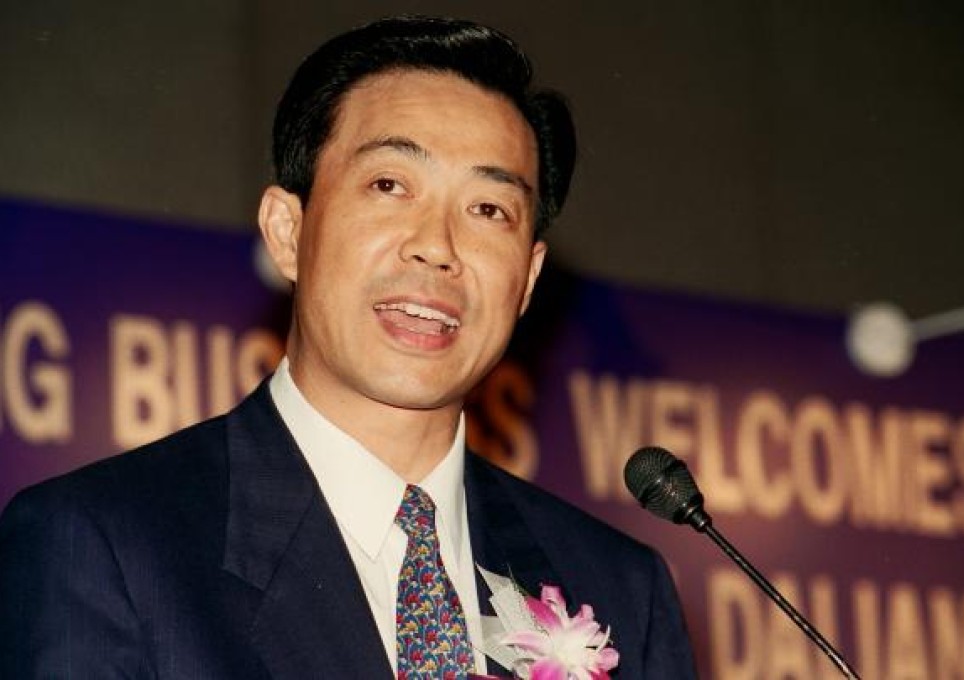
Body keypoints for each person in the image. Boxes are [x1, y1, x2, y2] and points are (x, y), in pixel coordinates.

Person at [0, 16, 698, 679]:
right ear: (286, 231)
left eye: (489, 210)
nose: (437, 246)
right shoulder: (101, 545)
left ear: (529, 279)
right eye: (390, 185)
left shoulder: (621, 593)